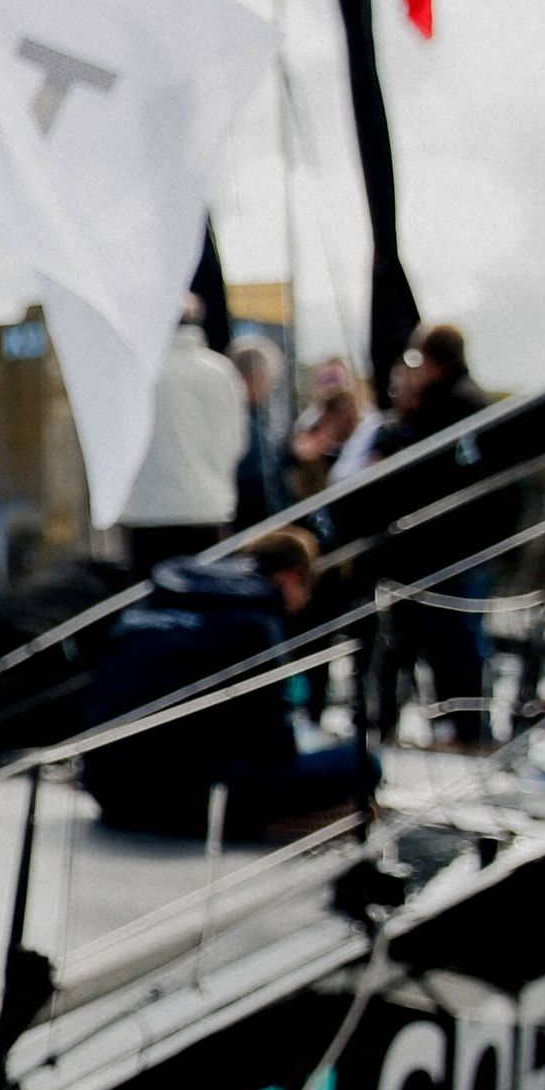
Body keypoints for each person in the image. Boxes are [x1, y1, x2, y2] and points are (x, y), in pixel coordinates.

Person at [82, 526, 372, 838]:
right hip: (181, 801)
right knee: (364, 762)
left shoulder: (159, 599)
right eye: (307, 590)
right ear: (291, 576)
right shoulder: (254, 622)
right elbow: (274, 748)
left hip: (107, 789)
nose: (302, 605)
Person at [372, 322, 498, 746]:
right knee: (448, 637)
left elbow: (426, 477)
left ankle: (463, 727)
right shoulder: (470, 400)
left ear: (430, 360)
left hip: (450, 546)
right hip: (463, 543)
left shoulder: (448, 405)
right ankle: (458, 724)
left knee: (453, 637)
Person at [117, 300, 248, 571]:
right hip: (208, 507)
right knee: (205, 598)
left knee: (150, 602)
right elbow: (237, 444)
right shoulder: (222, 372)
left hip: (147, 511)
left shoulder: (138, 370)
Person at [228, 335, 295, 526]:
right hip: (254, 523)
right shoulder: (247, 423)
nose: (269, 388)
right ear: (259, 377)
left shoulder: (249, 419)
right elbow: (260, 479)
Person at [290, 355, 371, 500]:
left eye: (336, 380)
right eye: (327, 381)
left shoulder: (366, 420)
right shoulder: (309, 422)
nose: (333, 388)